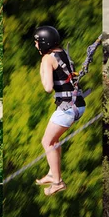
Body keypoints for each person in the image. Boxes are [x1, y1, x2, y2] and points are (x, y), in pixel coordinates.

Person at [33, 25, 87, 196]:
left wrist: (42, 70)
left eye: (36, 43)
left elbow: (48, 87)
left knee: (46, 142)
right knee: (54, 141)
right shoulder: (62, 52)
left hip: (67, 108)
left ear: (44, 42)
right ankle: (52, 173)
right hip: (78, 104)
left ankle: (57, 182)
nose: (35, 46)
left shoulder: (47, 58)